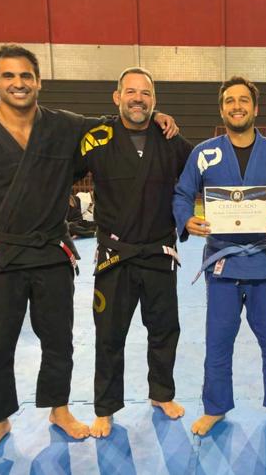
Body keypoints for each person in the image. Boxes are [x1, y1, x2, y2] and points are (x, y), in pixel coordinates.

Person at [0, 44, 178, 459]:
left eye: (25, 76)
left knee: (58, 341)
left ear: (38, 81)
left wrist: (155, 116)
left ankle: (59, 409)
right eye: (9, 76)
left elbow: (118, 122)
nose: (18, 83)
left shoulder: (63, 126)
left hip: (50, 252)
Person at [173, 76, 266, 435]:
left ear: (255, 108)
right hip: (223, 262)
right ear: (222, 110)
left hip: (264, 261)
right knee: (218, 340)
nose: (237, 106)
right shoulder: (204, 153)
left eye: (243, 100)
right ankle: (215, 408)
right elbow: (182, 193)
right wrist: (186, 218)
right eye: (230, 100)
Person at [78, 67, 193, 438]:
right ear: (117, 97)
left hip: (159, 252)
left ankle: (162, 393)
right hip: (115, 255)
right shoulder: (97, 138)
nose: (138, 99)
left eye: (145, 93)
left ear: (154, 100)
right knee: (108, 336)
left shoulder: (170, 139)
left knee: (164, 330)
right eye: (130, 92)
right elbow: (60, 173)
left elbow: (199, 172)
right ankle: (105, 408)